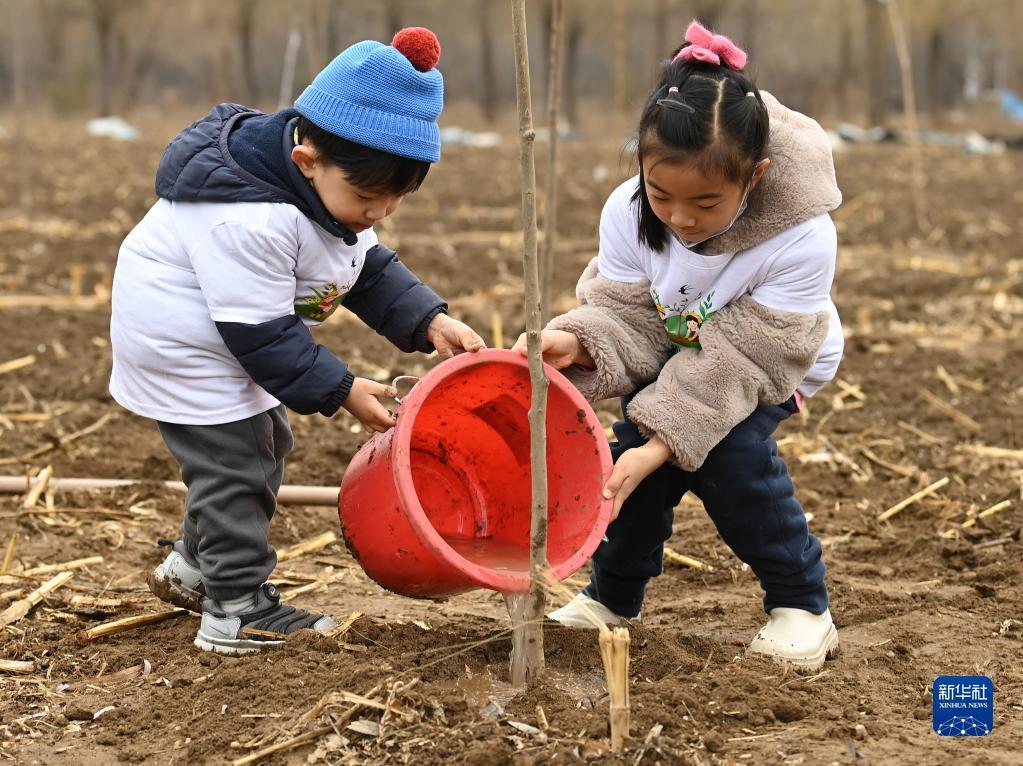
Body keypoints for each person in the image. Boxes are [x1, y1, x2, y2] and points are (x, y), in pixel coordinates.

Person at [109, 28, 486, 654]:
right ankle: (235, 609)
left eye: (397, 199)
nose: (381, 213)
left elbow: (367, 268)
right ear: (307, 161)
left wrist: (429, 321)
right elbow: (263, 336)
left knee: (262, 445)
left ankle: (194, 569)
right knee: (234, 467)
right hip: (187, 346)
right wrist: (343, 389)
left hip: (230, 337)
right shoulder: (248, 217)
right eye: (369, 197)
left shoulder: (326, 196)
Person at [513, 20, 843, 670]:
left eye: (705, 202)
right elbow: (628, 316)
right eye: (661, 194)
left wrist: (661, 442)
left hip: (770, 362)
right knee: (630, 465)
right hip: (677, 343)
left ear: (755, 178)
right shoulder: (628, 211)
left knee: (723, 459)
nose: (680, 218)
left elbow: (747, 356)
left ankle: (803, 606)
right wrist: (575, 343)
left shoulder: (801, 236)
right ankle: (612, 598)